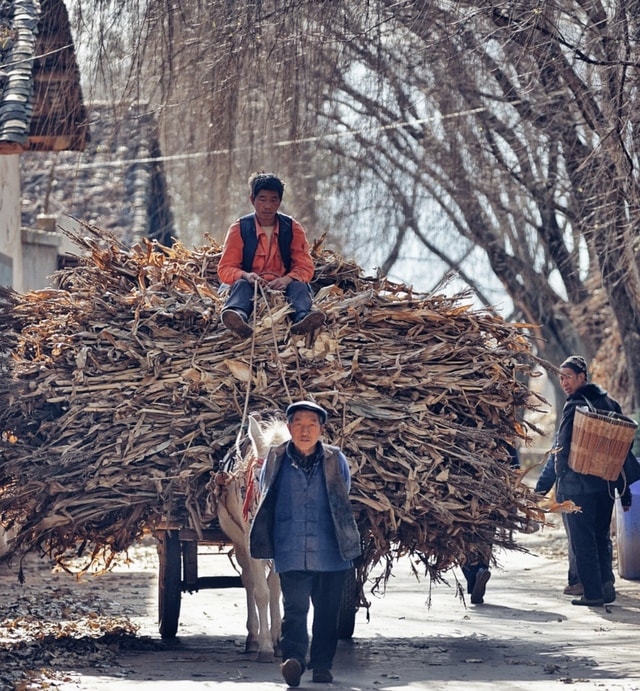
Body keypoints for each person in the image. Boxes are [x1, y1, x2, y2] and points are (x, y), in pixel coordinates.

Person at [249, 400, 361, 687]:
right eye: (298, 424)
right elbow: (265, 492)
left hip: (331, 551)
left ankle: (322, 666)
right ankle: (294, 661)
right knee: (295, 610)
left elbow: (343, 493)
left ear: (321, 429)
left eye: (312, 425)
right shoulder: (276, 458)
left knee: (327, 613)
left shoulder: (335, 459)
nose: (305, 431)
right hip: (291, 548)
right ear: (289, 428)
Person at [552, 355, 632, 606]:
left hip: (579, 486)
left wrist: (559, 481)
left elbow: (562, 445)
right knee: (601, 537)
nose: (564, 383)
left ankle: (593, 594)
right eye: (561, 378)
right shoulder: (611, 403)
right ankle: (606, 587)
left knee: (583, 541)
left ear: (582, 377)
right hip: (606, 485)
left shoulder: (574, 404)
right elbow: (623, 450)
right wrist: (625, 491)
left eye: (568, 377)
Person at [217, 172, 324, 338]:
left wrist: (286, 279)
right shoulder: (239, 228)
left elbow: (305, 267)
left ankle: (302, 318)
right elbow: (225, 268)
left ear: (280, 202)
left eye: (273, 200)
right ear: (252, 199)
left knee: (299, 287)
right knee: (240, 286)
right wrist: (246, 275)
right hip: (251, 285)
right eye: (262, 199)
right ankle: (237, 316)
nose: (267, 206)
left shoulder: (292, 228)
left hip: (282, 286)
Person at [535, 453, 582, 596]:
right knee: (601, 536)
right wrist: (625, 495)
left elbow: (556, 458)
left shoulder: (570, 435)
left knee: (577, 539)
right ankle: (605, 582)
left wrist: (538, 492)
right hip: (603, 491)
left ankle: (578, 582)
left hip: (573, 489)